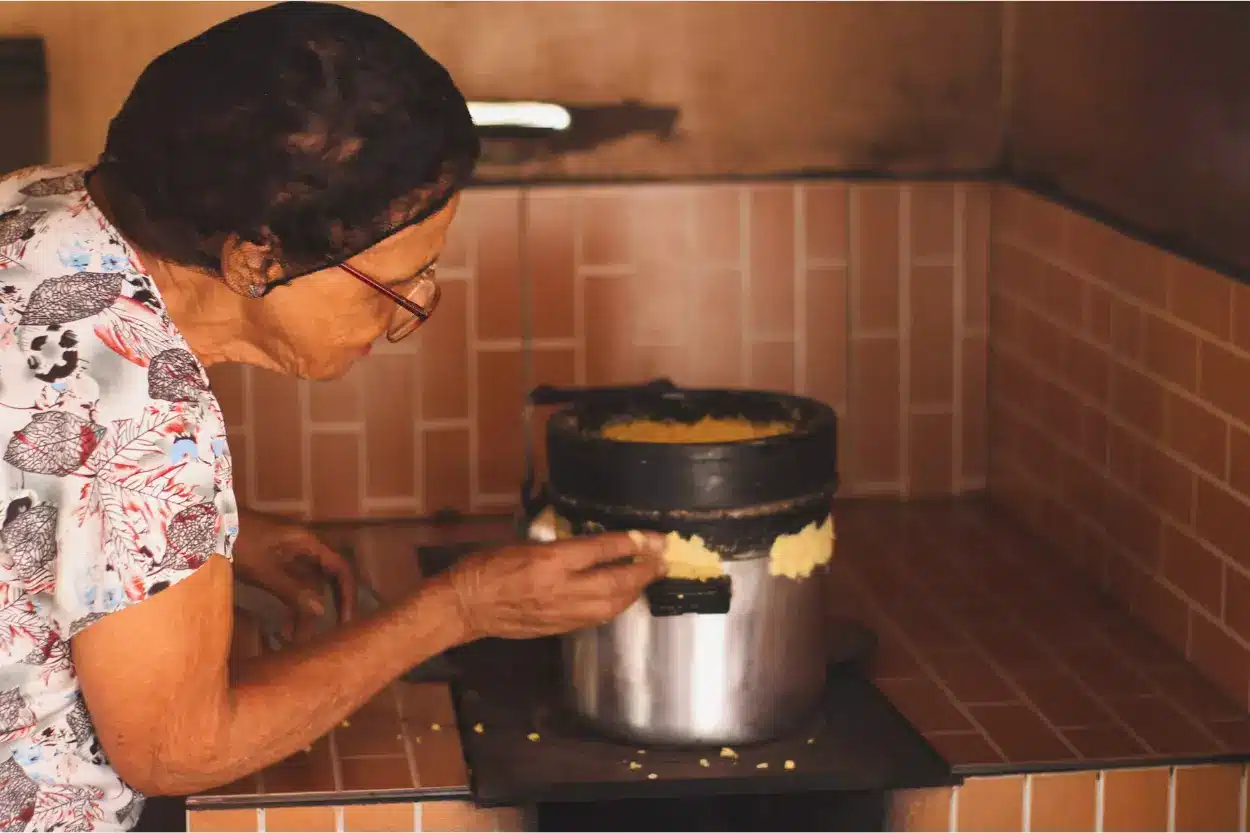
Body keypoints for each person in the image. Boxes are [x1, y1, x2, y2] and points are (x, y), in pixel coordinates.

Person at [0, 3, 666, 830]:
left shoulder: (42, 206)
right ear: (255, 257)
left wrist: (208, 538)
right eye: (397, 284)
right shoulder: (148, 409)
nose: (405, 318)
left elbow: (44, 479)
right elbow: (178, 749)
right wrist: (457, 608)